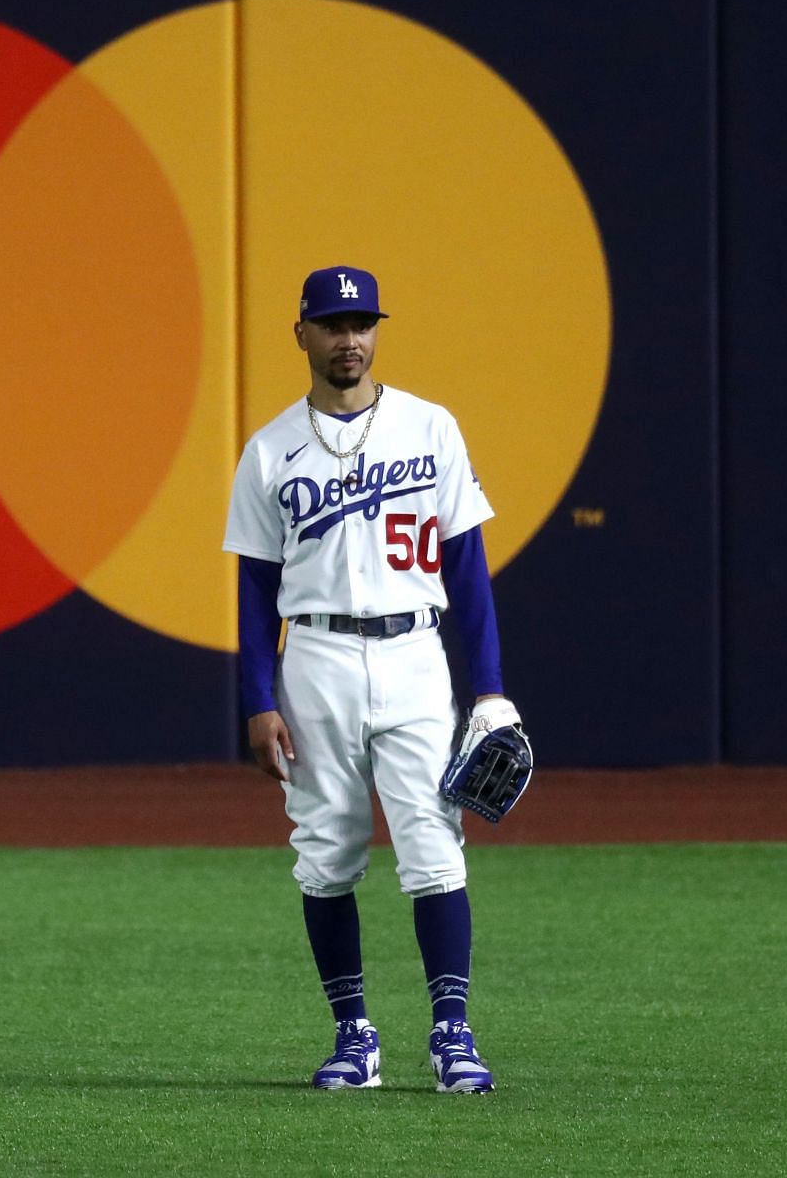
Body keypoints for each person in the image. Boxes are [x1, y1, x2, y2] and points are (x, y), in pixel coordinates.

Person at [222, 265, 518, 1094]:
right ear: (303, 335)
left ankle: (452, 1032)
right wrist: (257, 699)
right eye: (333, 324)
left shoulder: (430, 428)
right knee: (325, 855)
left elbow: (468, 569)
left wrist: (489, 688)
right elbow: (253, 587)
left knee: (433, 848)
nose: (350, 338)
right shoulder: (271, 449)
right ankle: (354, 1033)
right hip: (313, 659)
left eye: (363, 323)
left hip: (413, 655)